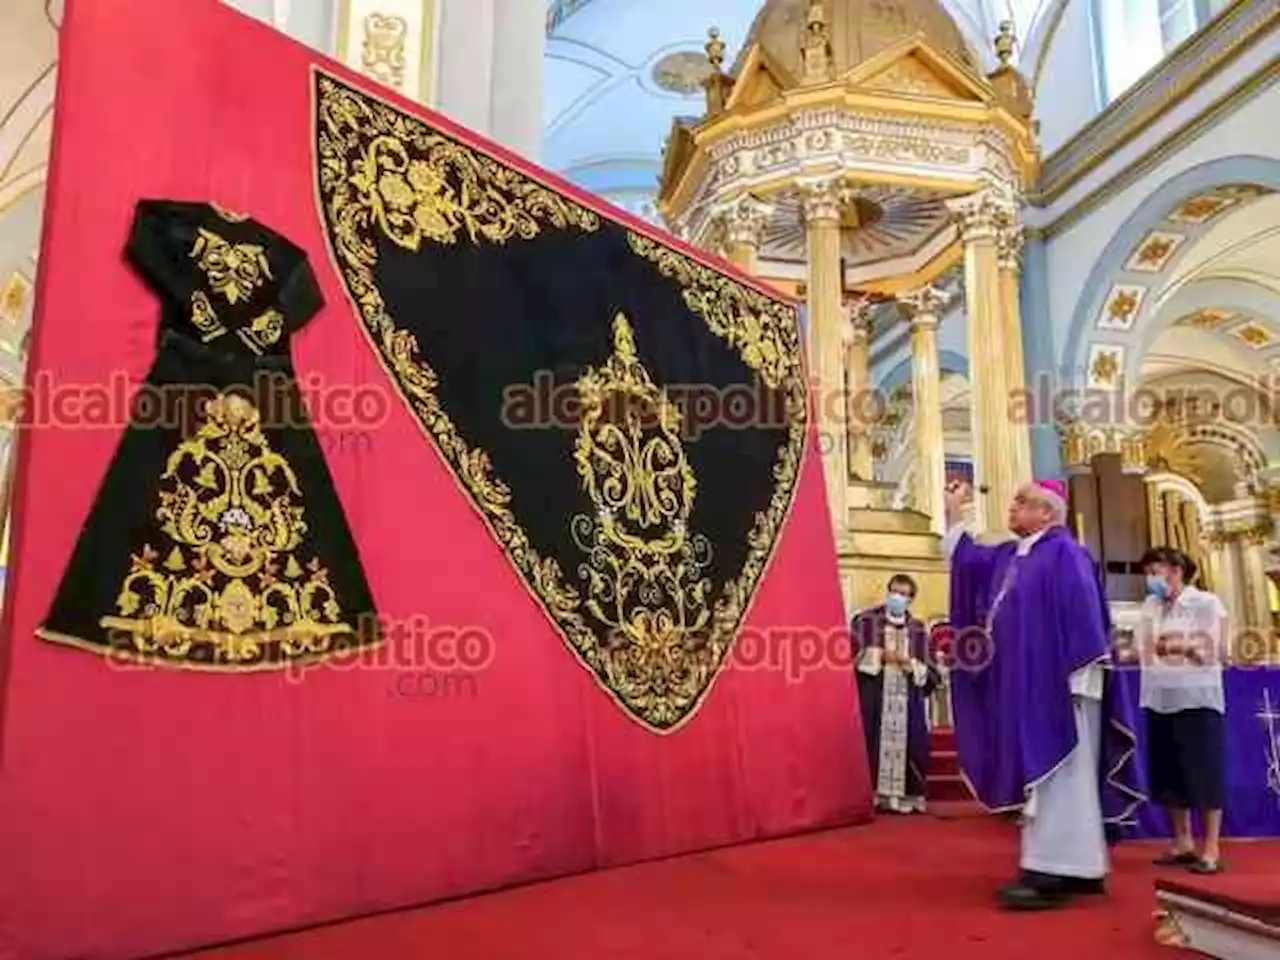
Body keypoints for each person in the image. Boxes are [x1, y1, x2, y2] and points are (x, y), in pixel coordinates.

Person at [944, 478, 1144, 910]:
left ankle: (1050, 872)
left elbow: (1084, 616)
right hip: (1031, 688)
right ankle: (1081, 868)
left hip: (1061, 690)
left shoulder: (1064, 553)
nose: (1012, 507)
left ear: (1048, 512)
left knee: (1060, 779)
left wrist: (1078, 678)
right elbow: (966, 561)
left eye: (1022, 501)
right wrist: (954, 512)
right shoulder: (1013, 554)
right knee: (1056, 782)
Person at [1136, 546, 1228, 874]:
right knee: (1169, 772)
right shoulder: (1150, 606)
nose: (1150, 579)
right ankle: (1182, 840)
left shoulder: (1205, 603)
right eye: (1147, 573)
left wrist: (1175, 646)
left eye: (1155, 571)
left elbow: (1214, 650)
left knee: (1203, 772)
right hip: (1159, 697)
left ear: (1175, 571)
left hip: (1197, 699)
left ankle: (1212, 847)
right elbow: (1140, 648)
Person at [851, 575, 941, 813]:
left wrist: (909, 663)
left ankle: (904, 798)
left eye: (903, 594)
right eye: (894, 592)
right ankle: (873, 796)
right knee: (872, 739)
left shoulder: (917, 629)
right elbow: (848, 655)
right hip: (875, 693)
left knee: (912, 742)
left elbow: (930, 670)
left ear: (911, 599)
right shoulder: (866, 621)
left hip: (906, 695)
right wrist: (878, 656)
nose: (897, 598)